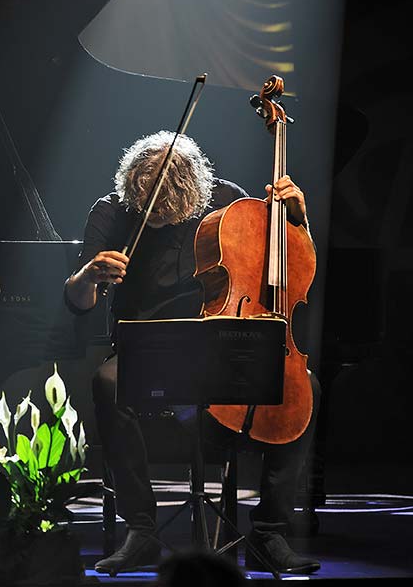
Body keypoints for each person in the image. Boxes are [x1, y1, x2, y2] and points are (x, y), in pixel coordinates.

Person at [64, 131, 321, 575]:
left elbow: (286, 265)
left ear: (192, 192)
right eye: (149, 209)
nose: (157, 217)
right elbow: (77, 301)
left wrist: (297, 221)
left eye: (167, 211)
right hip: (152, 349)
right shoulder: (112, 211)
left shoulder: (226, 200)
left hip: (225, 343)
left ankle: (269, 532)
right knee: (107, 381)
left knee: (303, 385)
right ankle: (141, 530)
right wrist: (89, 274)